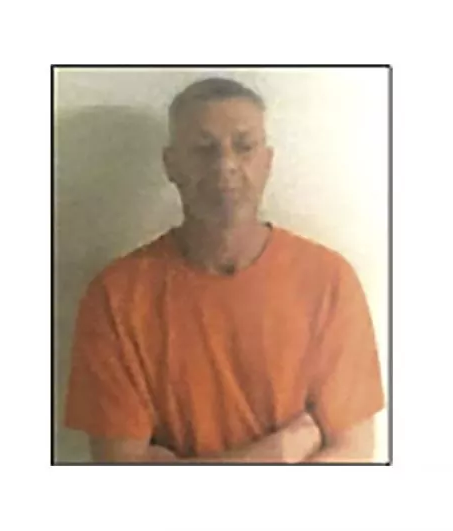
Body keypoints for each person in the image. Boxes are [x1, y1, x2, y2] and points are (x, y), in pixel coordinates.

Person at [63, 77, 385, 463]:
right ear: (171, 165)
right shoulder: (115, 297)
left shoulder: (329, 280)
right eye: (204, 150)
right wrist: (271, 455)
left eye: (244, 147)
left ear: (267, 162)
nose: (225, 165)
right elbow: (120, 467)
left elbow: (353, 450)